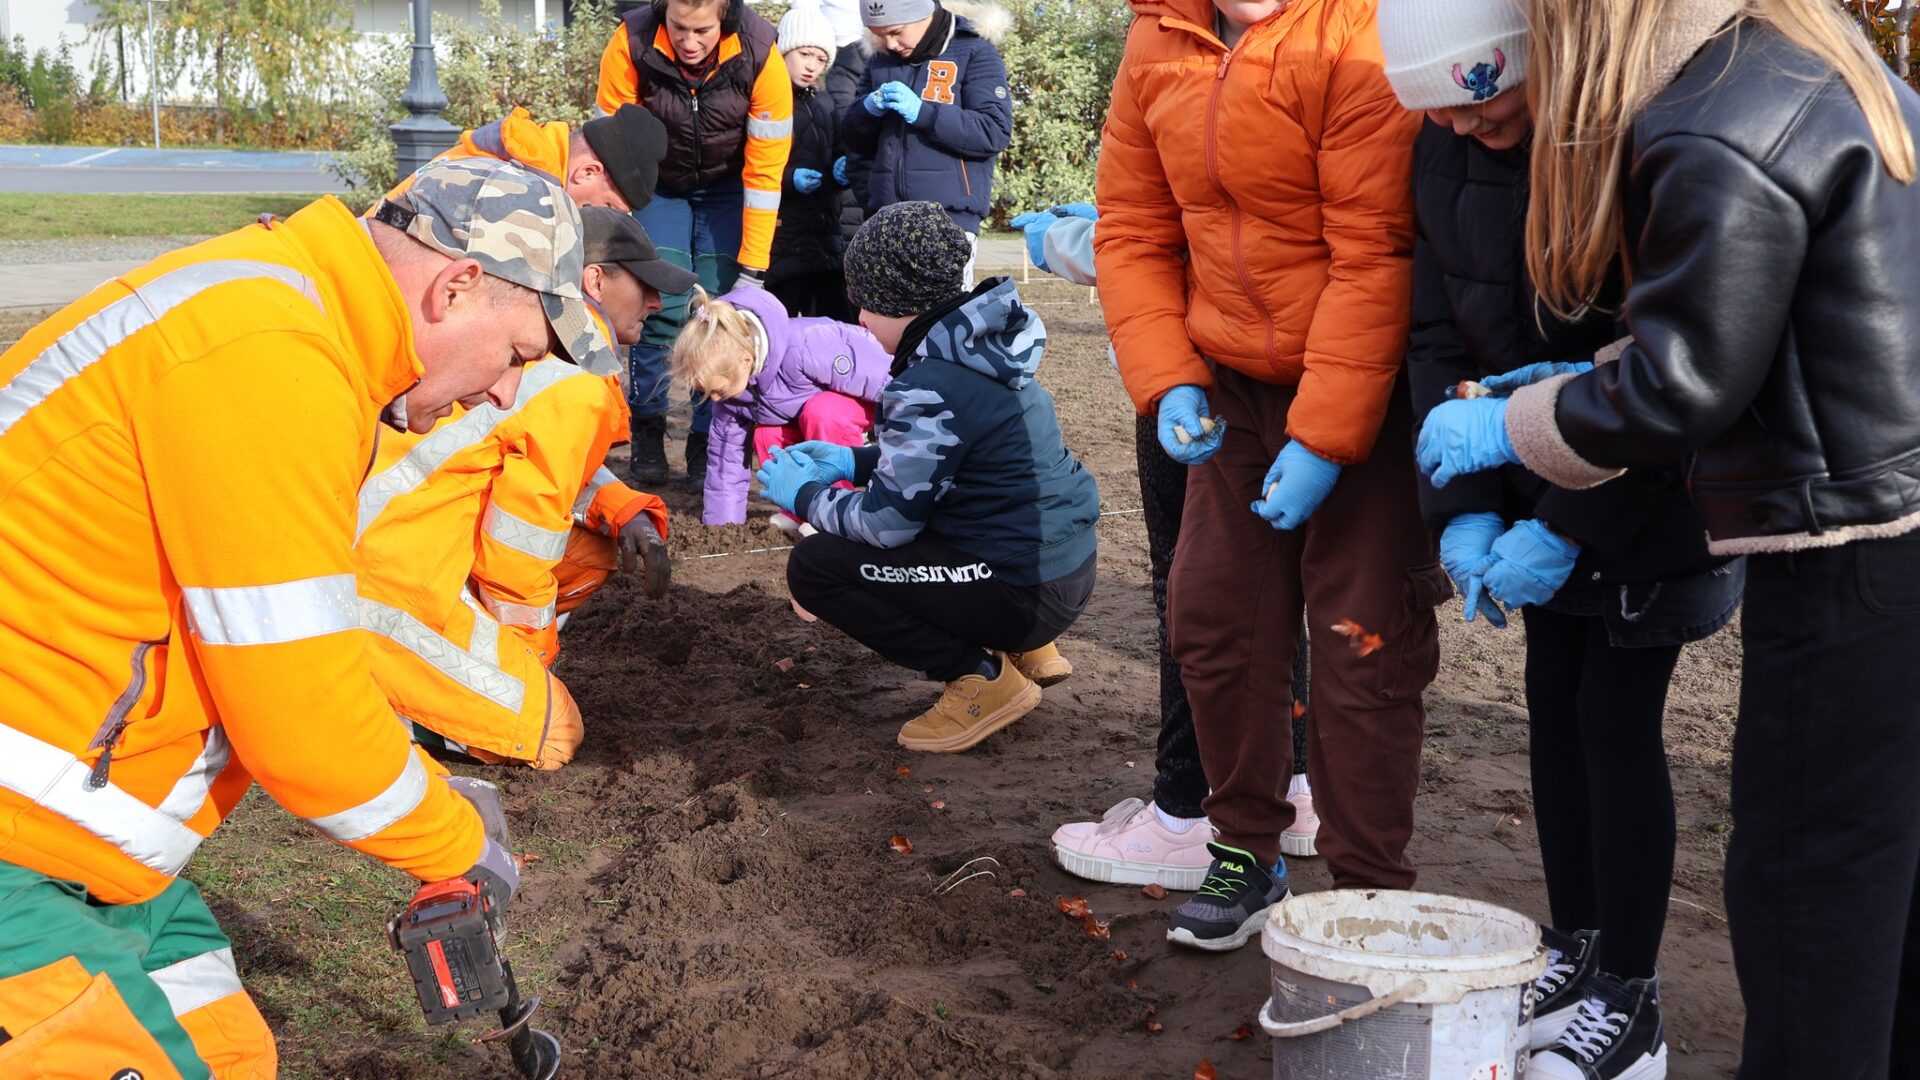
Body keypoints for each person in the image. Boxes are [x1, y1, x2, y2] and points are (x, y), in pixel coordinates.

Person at [0, 156, 594, 1077]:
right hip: (20, 853)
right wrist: (453, 843)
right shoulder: (269, 356)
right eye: (518, 354)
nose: (506, 392)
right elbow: (301, 725)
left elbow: (302, 634)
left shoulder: (292, 329)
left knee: (229, 1049)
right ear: (458, 285)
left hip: (86, 856)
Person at [1412, 0, 1920, 1075]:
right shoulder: (1787, 70)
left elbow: (1681, 382)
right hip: (1880, 511)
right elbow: (1753, 326)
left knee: (1806, 882)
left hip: (1857, 549)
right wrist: (1564, 387)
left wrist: (1511, 422)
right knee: (1880, 872)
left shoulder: (1703, 122)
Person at [1376, 5, 1745, 1075]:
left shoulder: (1638, 148)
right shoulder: (1442, 148)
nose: (1465, 128)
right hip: (1527, 487)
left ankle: (1631, 996)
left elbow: (1658, 380)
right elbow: (1442, 334)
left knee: (1615, 722)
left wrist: (1570, 523)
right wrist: (1469, 508)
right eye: (1443, 113)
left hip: (1644, 506)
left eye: (1484, 103)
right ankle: (1576, 946)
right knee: (1553, 709)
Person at [1096, 0, 1441, 952]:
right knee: (1213, 615)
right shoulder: (1158, 38)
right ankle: (1246, 847)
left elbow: (1377, 250)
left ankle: (1369, 889)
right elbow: (1131, 224)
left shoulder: (1355, 31)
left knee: (1360, 636)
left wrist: (1328, 437)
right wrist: (1167, 377)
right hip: (1236, 386)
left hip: (1363, 384)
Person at [1013, 204, 1321, 891]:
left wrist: (1078, 240)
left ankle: (1189, 811)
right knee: (1272, 584)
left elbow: (1190, 228)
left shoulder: (1196, 95)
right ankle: (1293, 784)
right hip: (1287, 352)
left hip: (1201, 355)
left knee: (1190, 587)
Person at [355, 206, 690, 772]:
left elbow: (528, 468)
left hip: (400, 543)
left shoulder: (542, 344)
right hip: (380, 580)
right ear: (595, 281)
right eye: (646, 285)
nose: (657, 303)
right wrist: (530, 659)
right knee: (551, 735)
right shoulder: (579, 380)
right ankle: (372, 706)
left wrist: (621, 507)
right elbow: (516, 553)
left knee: (593, 550)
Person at [765, 201, 1100, 753]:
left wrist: (805, 495)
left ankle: (981, 677)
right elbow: (959, 457)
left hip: (1024, 590)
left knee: (816, 566)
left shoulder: (927, 384)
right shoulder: (983, 350)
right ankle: (1030, 650)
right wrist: (852, 461)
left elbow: (888, 524)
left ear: (899, 301)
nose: (860, 321)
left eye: (867, 304)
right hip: (1067, 567)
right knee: (944, 520)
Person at [598, 0, 795, 491]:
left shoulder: (760, 51)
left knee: (718, 305)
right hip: (656, 185)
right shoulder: (631, 41)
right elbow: (613, 149)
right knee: (659, 303)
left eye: (702, 31)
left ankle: (709, 439)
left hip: (730, 186)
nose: (689, 42)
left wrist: (753, 266)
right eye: (678, 29)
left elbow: (766, 173)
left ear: (725, 18)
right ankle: (646, 428)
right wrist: (616, 229)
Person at [669, 284, 891, 527]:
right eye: (705, 391)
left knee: (823, 412)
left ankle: (837, 507)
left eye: (717, 389)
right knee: (767, 433)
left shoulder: (805, 345)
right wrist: (721, 526)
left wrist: (907, 426)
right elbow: (726, 463)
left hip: (862, 400)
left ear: (745, 361)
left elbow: (882, 377)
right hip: (805, 415)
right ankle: (799, 507)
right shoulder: (730, 397)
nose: (714, 399)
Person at [842, 0, 1012, 287]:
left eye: (896, 31)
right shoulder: (879, 59)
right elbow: (853, 141)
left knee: (942, 324)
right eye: (880, 34)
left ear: (923, 14)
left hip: (948, 222)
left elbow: (993, 131)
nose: (890, 43)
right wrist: (865, 111)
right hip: (884, 220)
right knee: (887, 326)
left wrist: (924, 113)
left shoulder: (975, 50)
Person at [381, 103, 667, 214]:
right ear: (587, 172)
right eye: (608, 206)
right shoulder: (524, 188)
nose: (601, 217)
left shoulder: (522, 157)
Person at [768, 0, 855, 320]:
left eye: (821, 59)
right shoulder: (766, 99)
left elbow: (836, 151)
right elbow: (746, 167)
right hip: (782, 242)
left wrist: (839, 171)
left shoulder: (826, 103)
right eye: (804, 54)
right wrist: (789, 180)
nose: (812, 66)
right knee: (781, 329)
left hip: (825, 238)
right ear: (784, 51)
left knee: (836, 328)